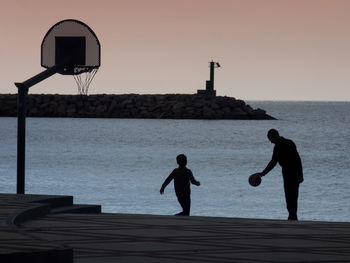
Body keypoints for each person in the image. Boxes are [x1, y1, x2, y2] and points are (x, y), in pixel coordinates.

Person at [259, 129, 304, 220]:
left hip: (292, 173)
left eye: (270, 139)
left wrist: (300, 175)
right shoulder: (281, 145)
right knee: (291, 195)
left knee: (291, 195)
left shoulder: (287, 144)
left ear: (274, 136)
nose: (270, 142)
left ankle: (292, 216)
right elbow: (273, 162)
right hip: (288, 173)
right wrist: (263, 173)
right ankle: (292, 216)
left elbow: (297, 159)